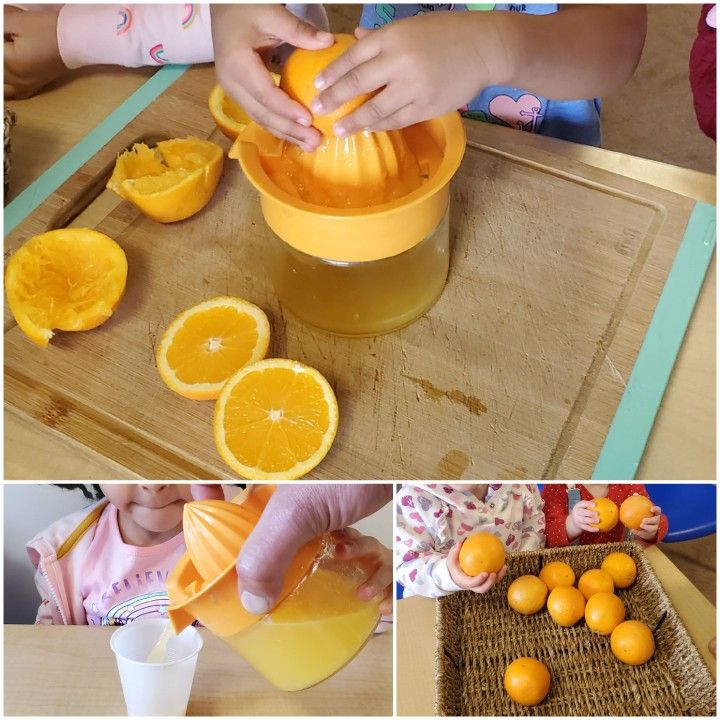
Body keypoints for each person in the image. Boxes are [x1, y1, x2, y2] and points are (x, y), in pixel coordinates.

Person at [5, 4, 646, 151]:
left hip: (535, 164)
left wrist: (496, 43)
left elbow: (617, 42)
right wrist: (231, 14)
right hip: (375, 139)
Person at [27, 482, 393, 624]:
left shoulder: (263, 525)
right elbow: (50, 658)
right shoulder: (66, 553)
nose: (153, 484)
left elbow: (363, 622)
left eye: (175, 459)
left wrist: (373, 577)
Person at [396, 483, 545, 599]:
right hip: (439, 607)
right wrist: (450, 575)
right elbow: (407, 567)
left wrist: (523, 561)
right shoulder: (412, 499)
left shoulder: (520, 482)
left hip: (514, 593)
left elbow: (534, 520)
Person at [541, 483, 668, 547]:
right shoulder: (556, 487)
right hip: (569, 565)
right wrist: (573, 524)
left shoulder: (629, 485)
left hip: (615, 562)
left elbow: (660, 522)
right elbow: (544, 537)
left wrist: (651, 531)